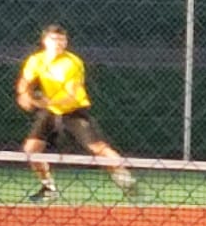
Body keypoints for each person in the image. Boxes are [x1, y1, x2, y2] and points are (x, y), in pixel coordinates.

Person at [17, 24, 135, 200]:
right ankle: (49, 188)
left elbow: (71, 96)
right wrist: (24, 95)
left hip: (74, 110)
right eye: (53, 39)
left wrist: (43, 101)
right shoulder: (35, 60)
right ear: (44, 41)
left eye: (62, 40)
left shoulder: (73, 62)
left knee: (99, 149)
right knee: (31, 149)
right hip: (49, 111)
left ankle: (127, 182)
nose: (58, 43)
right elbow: (24, 83)